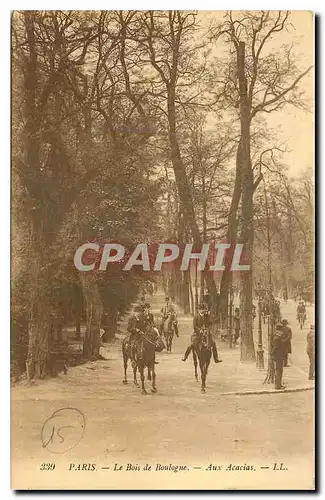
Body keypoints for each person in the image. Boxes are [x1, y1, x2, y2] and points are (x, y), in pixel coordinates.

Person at [271, 323, 288, 390]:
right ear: (280, 330)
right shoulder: (277, 338)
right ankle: (277, 385)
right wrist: (272, 355)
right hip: (278, 357)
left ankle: (279, 384)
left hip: (279, 356)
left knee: (280, 370)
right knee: (278, 371)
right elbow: (275, 348)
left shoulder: (278, 337)